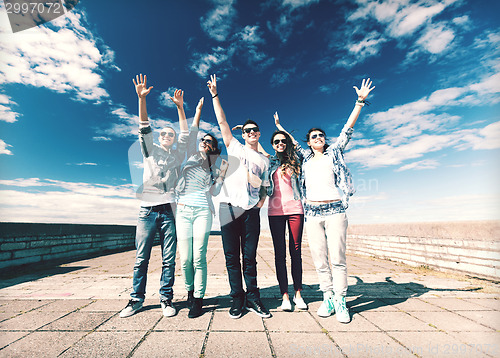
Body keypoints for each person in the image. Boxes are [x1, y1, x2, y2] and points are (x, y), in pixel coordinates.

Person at [297, 78, 375, 323]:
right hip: (312, 213)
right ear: (308, 143)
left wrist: (360, 102)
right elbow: (288, 143)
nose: (319, 137)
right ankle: (327, 297)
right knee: (320, 260)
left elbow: (347, 130)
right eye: (314, 136)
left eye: (321, 135)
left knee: (338, 259)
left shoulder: (335, 152)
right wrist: (279, 126)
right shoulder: (305, 159)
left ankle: (341, 300)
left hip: (335, 210)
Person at [120, 74, 188, 318]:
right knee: (141, 258)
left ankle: (166, 299)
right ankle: (135, 300)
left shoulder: (178, 156)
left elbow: (186, 135)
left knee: (169, 260)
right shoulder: (149, 149)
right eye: (164, 134)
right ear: (159, 138)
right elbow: (144, 126)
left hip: (169, 210)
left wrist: (180, 109)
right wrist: (141, 100)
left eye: (171, 135)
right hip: (147, 211)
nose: (168, 136)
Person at [206, 74, 271, 319]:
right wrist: (215, 94)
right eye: (248, 130)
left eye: (255, 130)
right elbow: (222, 121)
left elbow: (265, 185)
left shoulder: (264, 159)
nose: (252, 132)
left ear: (258, 134)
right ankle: (237, 299)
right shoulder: (234, 146)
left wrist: (260, 202)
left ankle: (254, 298)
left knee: (250, 256)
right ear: (243, 134)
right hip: (228, 209)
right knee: (231, 257)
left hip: (250, 212)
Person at [175, 96, 229, 318]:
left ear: (213, 147)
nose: (204, 142)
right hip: (183, 210)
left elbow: (215, 193)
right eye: (202, 140)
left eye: (208, 142)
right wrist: (196, 109)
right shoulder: (190, 154)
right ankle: (189, 291)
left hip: (203, 212)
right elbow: (192, 131)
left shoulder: (216, 165)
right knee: (185, 257)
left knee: (199, 256)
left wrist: (221, 176)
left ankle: (198, 298)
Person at [267, 112, 307, 311]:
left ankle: (298, 293)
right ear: (273, 145)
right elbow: (253, 148)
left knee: (296, 251)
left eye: (283, 141)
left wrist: (280, 126)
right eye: (277, 141)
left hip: (295, 210)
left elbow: (296, 145)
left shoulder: (296, 160)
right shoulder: (270, 162)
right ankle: (284, 296)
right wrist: (245, 132)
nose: (281, 143)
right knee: (279, 254)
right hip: (275, 213)